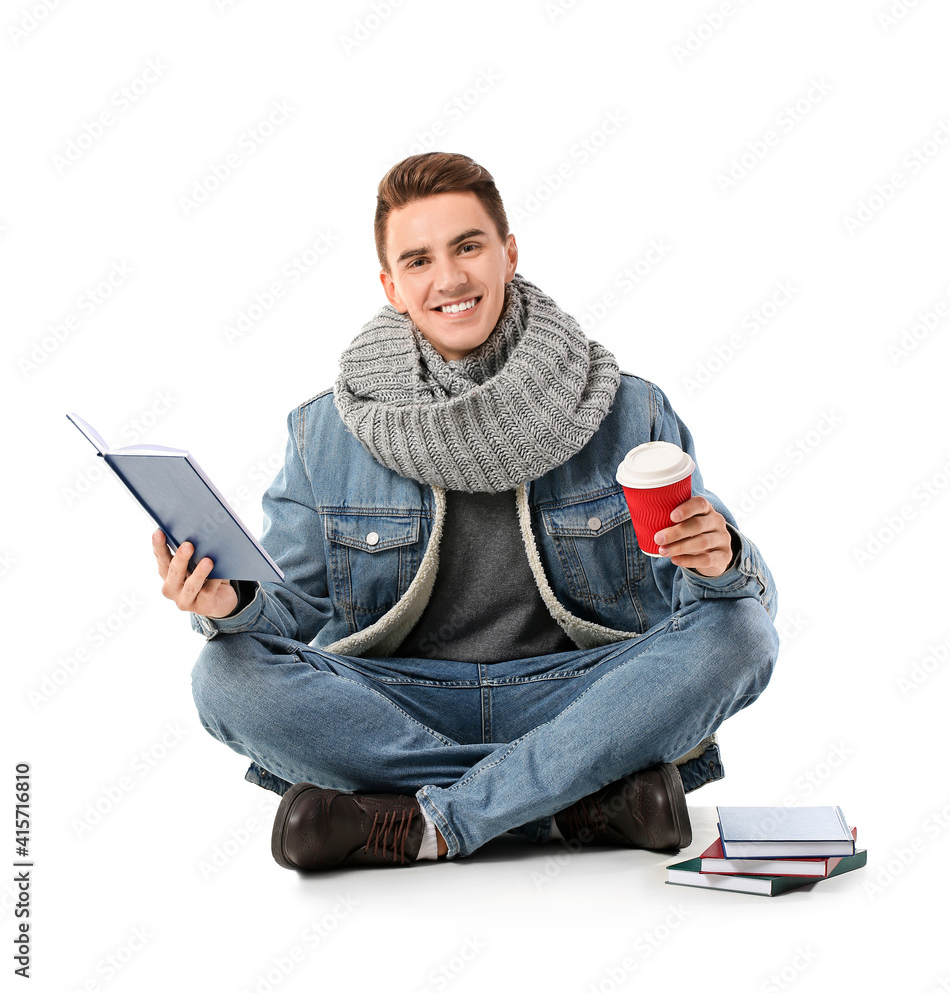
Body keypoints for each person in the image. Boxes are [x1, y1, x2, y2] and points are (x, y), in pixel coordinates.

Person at [153, 152, 779, 870]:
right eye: (418, 260)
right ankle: (571, 803)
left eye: (469, 246)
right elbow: (288, 615)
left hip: (582, 694)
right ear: (391, 287)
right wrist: (229, 601)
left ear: (508, 255)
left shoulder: (625, 409)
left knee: (742, 633)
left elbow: (718, 607)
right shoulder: (324, 431)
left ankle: (425, 822)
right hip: (397, 708)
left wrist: (720, 561)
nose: (448, 279)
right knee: (224, 674)